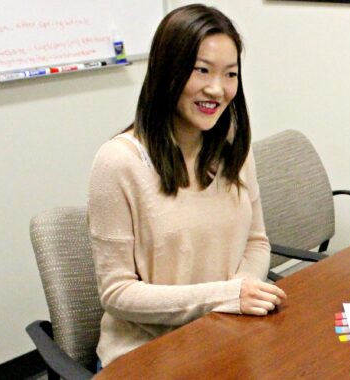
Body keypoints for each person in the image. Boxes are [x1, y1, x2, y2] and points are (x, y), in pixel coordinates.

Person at [87, 4, 286, 366]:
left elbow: (257, 242)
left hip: (224, 335)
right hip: (145, 355)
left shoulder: (233, 147)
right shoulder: (118, 162)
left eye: (230, 74)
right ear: (167, 72)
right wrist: (225, 297)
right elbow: (116, 293)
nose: (217, 89)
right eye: (202, 70)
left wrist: (238, 296)